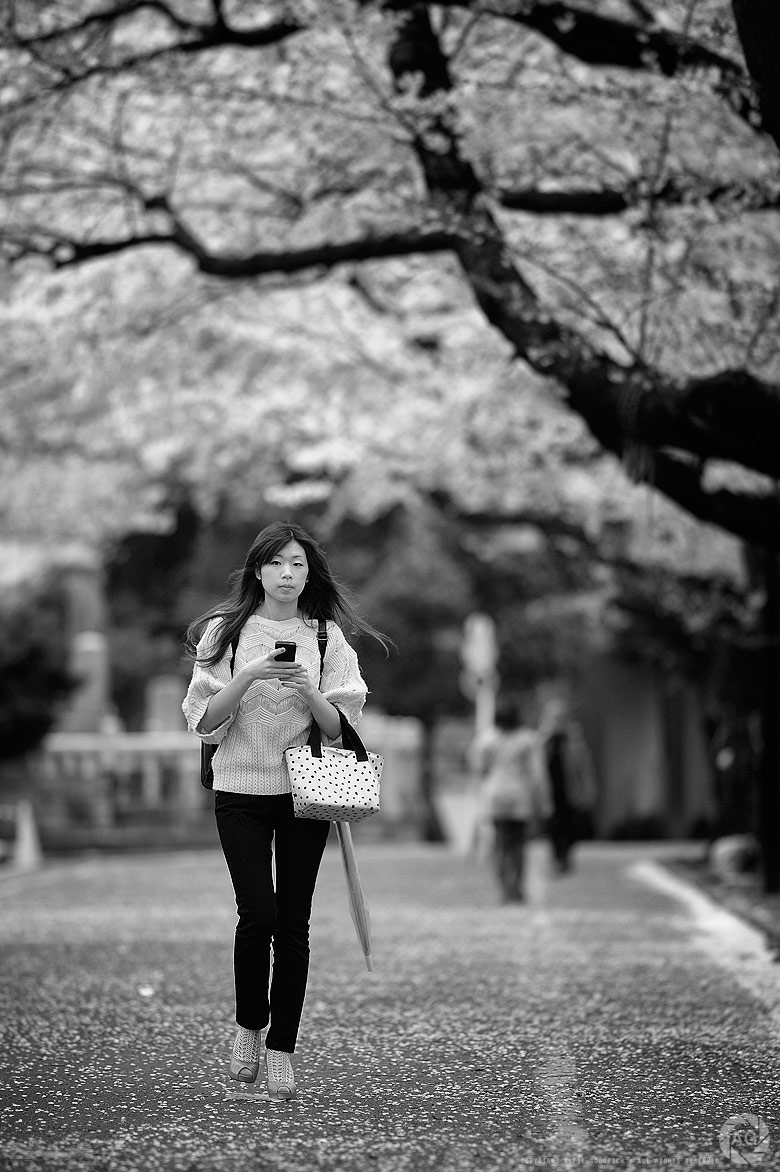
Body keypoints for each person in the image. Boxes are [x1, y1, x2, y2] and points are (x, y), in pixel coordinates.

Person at [182, 521, 385, 1100]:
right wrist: (247, 674)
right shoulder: (225, 633)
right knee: (259, 915)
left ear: (309, 572)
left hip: (305, 794)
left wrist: (308, 690)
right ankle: (250, 1028)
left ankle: (282, 1052)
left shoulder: (326, 638)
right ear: (257, 570)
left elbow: (344, 729)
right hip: (240, 791)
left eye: (298, 564)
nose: (288, 574)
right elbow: (205, 720)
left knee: (294, 925)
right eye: (277, 563)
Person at [474, 699, 551, 903]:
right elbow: (537, 774)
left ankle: (503, 887)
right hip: (518, 795)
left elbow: (480, 770)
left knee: (500, 843)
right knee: (517, 844)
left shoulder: (489, 740)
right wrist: (543, 801)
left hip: (495, 794)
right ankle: (515, 887)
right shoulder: (527, 739)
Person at [539, 699, 596, 874]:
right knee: (553, 827)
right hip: (550, 792)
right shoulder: (542, 740)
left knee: (571, 827)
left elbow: (584, 767)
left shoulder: (574, 740)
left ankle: (566, 855)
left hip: (569, 791)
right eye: (553, 718)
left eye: (559, 718)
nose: (556, 722)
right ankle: (557, 857)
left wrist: (589, 789)